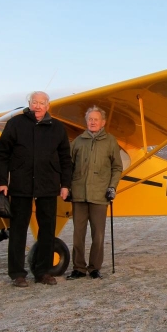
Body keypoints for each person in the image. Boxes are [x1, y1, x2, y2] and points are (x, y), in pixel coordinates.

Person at [0, 91, 72, 287]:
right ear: (29, 104)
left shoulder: (57, 127)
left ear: (48, 106)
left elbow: (65, 158)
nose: (37, 106)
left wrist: (65, 184)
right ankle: (17, 273)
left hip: (48, 185)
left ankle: (43, 271)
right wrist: (2, 181)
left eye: (41, 103)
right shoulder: (15, 124)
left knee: (47, 229)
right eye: (34, 102)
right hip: (21, 184)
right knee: (18, 229)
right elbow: (2, 154)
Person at [67, 106, 123, 280]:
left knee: (98, 235)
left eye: (96, 119)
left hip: (100, 195)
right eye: (90, 119)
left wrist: (112, 187)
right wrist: (67, 187)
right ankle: (78, 268)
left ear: (103, 122)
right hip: (79, 194)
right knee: (78, 235)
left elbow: (117, 167)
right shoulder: (78, 141)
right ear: (86, 121)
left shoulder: (110, 141)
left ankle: (94, 268)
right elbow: (68, 166)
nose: (92, 122)